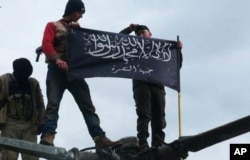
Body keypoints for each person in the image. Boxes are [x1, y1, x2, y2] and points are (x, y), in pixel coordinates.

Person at [39, 0, 120, 150]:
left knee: (87, 105)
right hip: (57, 71)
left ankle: (99, 137)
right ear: (72, 10)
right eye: (80, 12)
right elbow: (46, 44)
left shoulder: (77, 29)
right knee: (53, 104)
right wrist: (57, 59)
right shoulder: (52, 25)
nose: (81, 16)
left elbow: (86, 49)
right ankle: (48, 135)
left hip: (74, 71)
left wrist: (78, 32)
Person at [120, 24, 183, 152]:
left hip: (158, 85)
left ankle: (157, 144)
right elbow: (118, 40)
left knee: (159, 117)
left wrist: (178, 50)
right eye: (138, 34)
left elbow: (176, 66)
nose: (141, 36)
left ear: (150, 34)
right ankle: (143, 144)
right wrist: (129, 30)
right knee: (144, 114)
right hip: (141, 85)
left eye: (143, 32)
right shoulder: (132, 48)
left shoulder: (160, 50)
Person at [0, 58, 45, 160]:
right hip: (10, 123)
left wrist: (42, 122)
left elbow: (40, 105)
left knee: (31, 156)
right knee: (8, 156)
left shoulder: (33, 84)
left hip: (29, 124)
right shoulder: (4, 81)